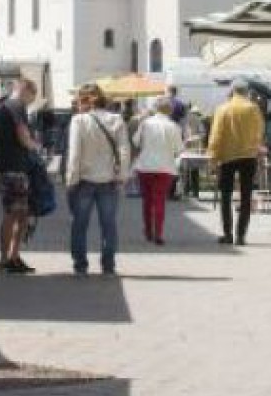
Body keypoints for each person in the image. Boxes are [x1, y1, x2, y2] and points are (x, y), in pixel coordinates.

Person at [64, 83, 130, 276]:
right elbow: (124, 150)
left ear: (84, 101)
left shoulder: (79, 121)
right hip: (108, 180)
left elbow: (74, 153)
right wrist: (122, 175)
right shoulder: (117, 119)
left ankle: (80, 265)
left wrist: (70, 180)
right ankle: (108, 266)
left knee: (79, 224)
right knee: (108, 225)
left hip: (83, 179)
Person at [0, 79, 44, 274]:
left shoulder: (2, 107)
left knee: (21, 214)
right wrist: (35, 147)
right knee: (13, 214)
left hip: (10, 168)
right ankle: (4, 260)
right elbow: (23, 135)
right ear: (25, 90)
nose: (32, 100)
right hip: (12, 169)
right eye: (33, 94)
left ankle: (13, 257)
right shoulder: (15, 106)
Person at [207, 82, 265, 246]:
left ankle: (227, 234)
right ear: (247, 92)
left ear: (232, 91)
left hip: (227, 156)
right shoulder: (253, 108)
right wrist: (255, 148)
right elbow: (259, 131)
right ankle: (241, 235)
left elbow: (216, 134)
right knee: (246, 196)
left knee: (225, 196)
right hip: (248, 156)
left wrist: (213, 157)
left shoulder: (222, 109)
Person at [131, 98, 184, 245]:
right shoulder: (174, 126)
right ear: (170, 111)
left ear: (155, 108)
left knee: (147, 201)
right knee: (160, 200)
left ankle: (148, 231)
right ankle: (159, 233)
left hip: (145, 166)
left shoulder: (146, 123)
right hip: (165, 167)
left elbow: (135, 141)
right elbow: (179, 149)